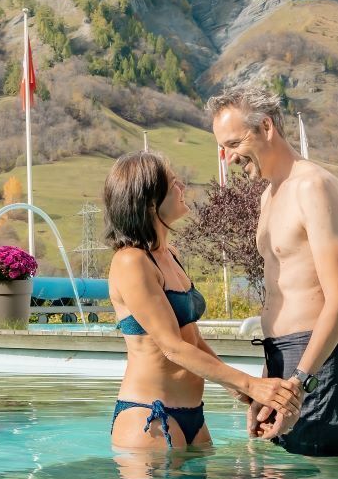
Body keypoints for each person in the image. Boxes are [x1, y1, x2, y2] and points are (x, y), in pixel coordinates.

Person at [102, 151, 299, 453]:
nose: (182, 187)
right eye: (173, 183)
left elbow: (191, 338)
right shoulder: (131, 261)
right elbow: (171, 347)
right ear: (151, 202)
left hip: (194, 417)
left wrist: (236, 386)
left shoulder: (171, 255)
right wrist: (250, 384)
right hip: (150, 419)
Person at [209, 84, 338, 457]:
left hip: (318, 365)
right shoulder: (269, 195)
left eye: (233, 144)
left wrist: (299, 382)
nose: (228, 158)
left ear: (266, 127)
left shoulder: (313, 186)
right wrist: (267, 384)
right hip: (283, 362)